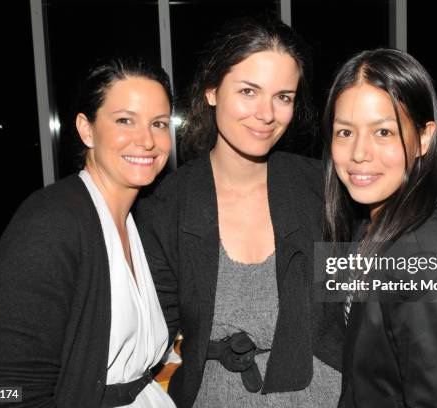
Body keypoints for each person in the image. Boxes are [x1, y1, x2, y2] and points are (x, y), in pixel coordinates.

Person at [136, 17, 340, 408]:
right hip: (216, 396)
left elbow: (396, 279)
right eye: (249, 91)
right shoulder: (167, 208)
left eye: (283, 96)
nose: (266, 114)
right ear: (212, 90)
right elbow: (142, 333)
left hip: (328, 394)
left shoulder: (322, 188)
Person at [0, 58, 176, 408]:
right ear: (86, 130)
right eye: (125, 120)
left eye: (158, 123)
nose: (147, 140)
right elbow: (3, 394)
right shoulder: (49, 225)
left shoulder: (141, 222)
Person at [322, 49, 437, 407]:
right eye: (345, 132)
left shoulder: (427, 261)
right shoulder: (369, 230)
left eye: (383, 132)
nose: (359, 153)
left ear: (423, 138)